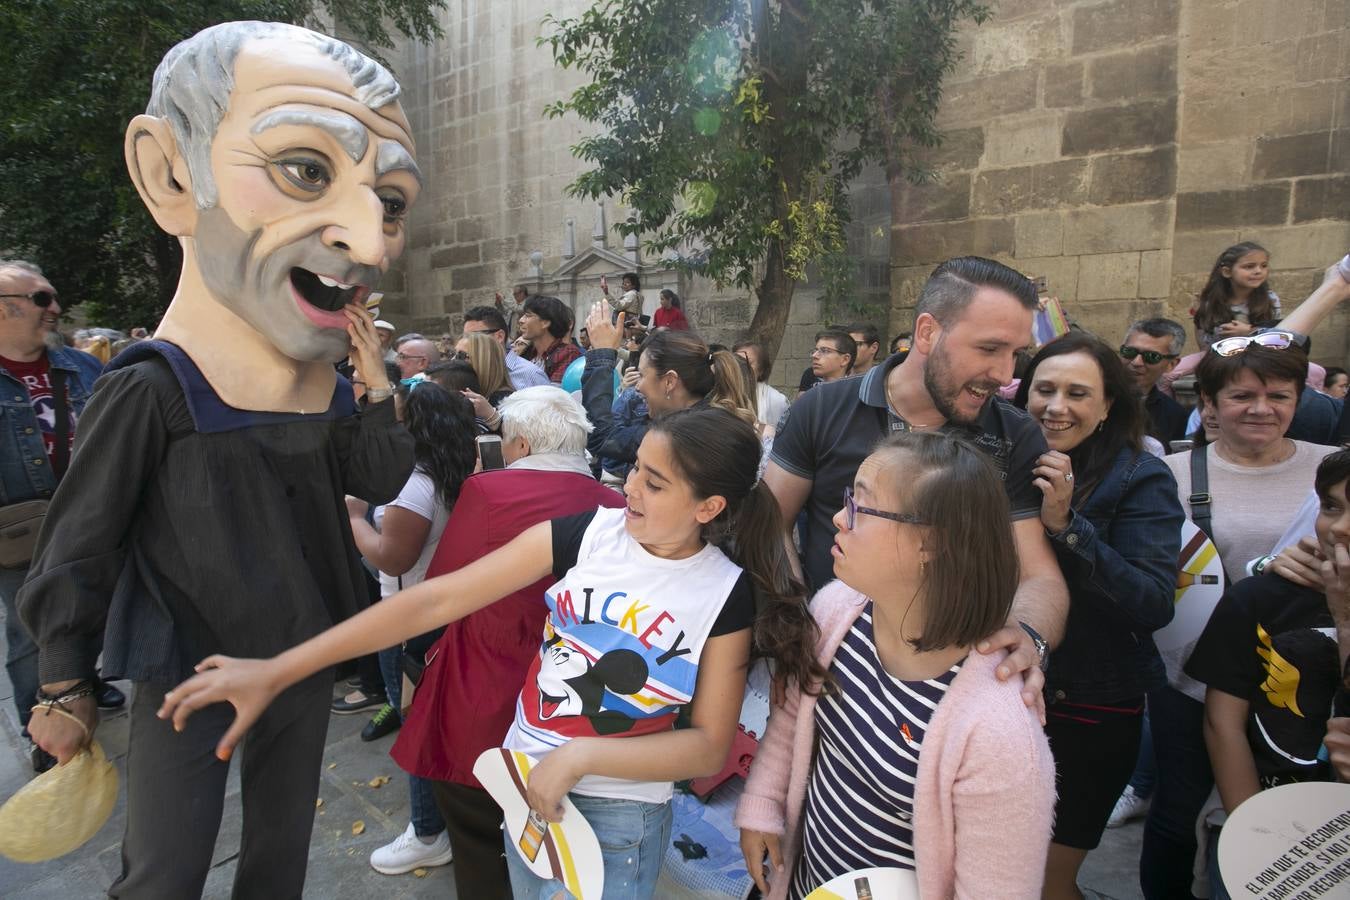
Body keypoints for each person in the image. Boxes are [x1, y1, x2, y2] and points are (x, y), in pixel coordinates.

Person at [18, 23, 418, 898]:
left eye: (389, 202)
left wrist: (374, 379)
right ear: (169, 174)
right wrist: (60, 682)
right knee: (166, 869)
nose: (371, 241)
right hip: (185, 672)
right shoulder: (153, 386)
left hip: (298, 659)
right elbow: (81, 543)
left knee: (278, 862)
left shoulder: (323, 384)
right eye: (306, 169)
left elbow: (380, 480)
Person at [157, 407, 822, 900]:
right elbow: (433, 601)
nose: (627, 489)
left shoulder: (724, 595)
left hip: (618, 816)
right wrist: (281, 668)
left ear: (709, 506)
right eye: (635, 470)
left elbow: (708, 745)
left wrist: (582, 756)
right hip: (522, 790)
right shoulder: (586, 535)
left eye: (654, 483)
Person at [736, 431, 1056, 899]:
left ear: (932, 540)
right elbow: (790, 719)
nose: (839, 518)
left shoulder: (1001, 735)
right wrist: (762, 804)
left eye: (861, 506)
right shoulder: (836, 611)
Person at [765, 256, 1068, 712]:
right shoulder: (822, 409)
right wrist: (797, 623)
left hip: (942, 696)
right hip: (821, 668)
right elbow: (771, 523)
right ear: (927, 332)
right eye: (989, 349)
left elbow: (1039, 575)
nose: (1007, 375)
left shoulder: (1014, 435)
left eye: (1015, 354)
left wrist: (1027, 637)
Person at [391, 385, 625, 898]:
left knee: (478, 832)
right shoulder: (615, 502)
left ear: (518, 444)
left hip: (486, 676)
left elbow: (443, 587)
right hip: (575, 691)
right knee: (559, 839)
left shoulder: (489, 492)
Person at [1150, 334, 1335, 899]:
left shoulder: (1330, 468)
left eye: (1279, 395)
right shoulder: (1173, 475)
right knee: (1179, 810)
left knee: (1302, 818)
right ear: (1208, 403)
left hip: (1303, 682)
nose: (1262, 408)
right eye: (1242, 396)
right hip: (1190, 677)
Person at [1012, 333, 1184, 900]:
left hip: (1086, 711)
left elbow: (1153, 603)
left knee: (1045, 882)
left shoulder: (1140, 477)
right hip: (1005, 698)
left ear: (1108, 404)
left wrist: (1068, 527)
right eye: (1045, 389)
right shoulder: (1003, 464)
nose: (1056, 406)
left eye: (1077, 393)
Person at [1184, 449, 1350, 898]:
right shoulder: (1262, 599)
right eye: (1331, 506)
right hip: (1269, 828)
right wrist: (1256, 838)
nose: (1339, 527)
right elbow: (1224, 723)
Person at [0, 260, 114, 774]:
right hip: (19, 533)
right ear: (5, 308)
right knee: (32, 630)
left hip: (90, 517)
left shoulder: (82, 367)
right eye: (42, 299)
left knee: (89, 609)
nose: (56, 309)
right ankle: (44, 727)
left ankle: (85, 683)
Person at [580, 300, 756, 479]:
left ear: (669, 381)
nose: (637, 387)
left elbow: (602, 437)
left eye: (642, 375)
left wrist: (602, 355)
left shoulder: (682, 435)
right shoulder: (708, 420)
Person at [1159, 242, 1281, 398]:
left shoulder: (1270, 299)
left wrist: (1250, 331)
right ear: (1227, 272)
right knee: (1167, 374)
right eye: (1249, 267)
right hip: (1216, 352)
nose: (1258, 271)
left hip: (1258, 352)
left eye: (1263, 266)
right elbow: (1202, 331)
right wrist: (1207, 354)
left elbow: (1279, 332)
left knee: (1315, 372)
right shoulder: (1210, 301)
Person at [1120, 317, 1190, 446]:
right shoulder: (1093, 398)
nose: (1136, 362)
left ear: (1172, 365)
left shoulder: (1174, 415)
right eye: (1129, 352)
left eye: (1151, 357)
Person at [463, 304, 550, 389]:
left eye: (475, 337)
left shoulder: (531, 375)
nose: (467, 342)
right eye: (465, 337)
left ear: (499, 336)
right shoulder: (466, 370)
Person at [518, 294, 581, 383]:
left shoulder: (567, 353)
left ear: (545, 323)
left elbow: (553, 393)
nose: (521, 320)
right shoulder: (527, 353)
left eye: (528, 316)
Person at [734, 339, 790, 430]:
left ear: (761, 369)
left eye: (749, 363)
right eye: (737, 362)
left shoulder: (776, 400)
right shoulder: (723, 394)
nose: (741, 367)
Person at [457, 331, 513, 406]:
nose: (453, 360)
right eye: (453, 354)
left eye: (461, 355)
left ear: (483, 361)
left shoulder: (505, 403)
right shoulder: (465, 393)